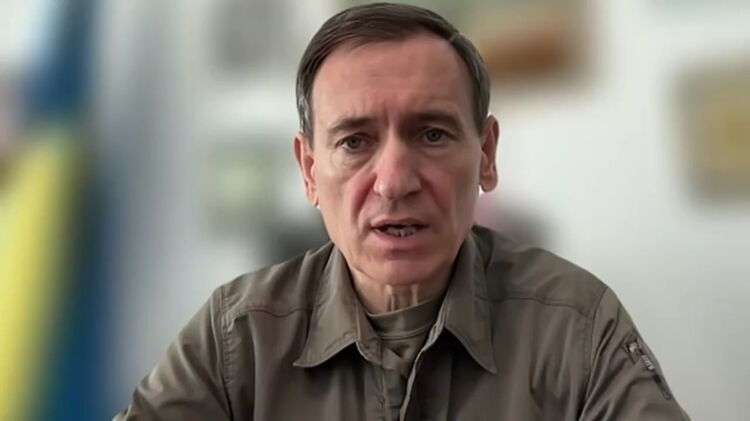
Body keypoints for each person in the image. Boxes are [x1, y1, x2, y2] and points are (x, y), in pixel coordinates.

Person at [115, 3, 689, 420]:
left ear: (486, 155)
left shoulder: (576, 326)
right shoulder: (238, 337)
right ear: (309, 170)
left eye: (432, 134)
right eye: (354, 142)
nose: (393, 182)